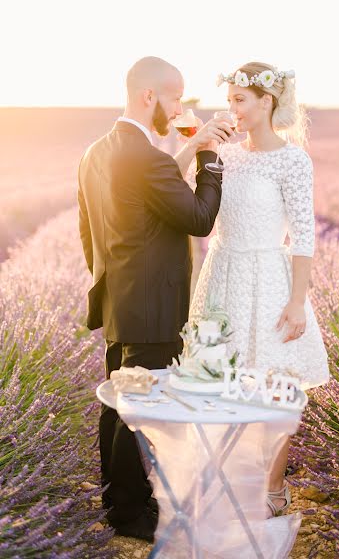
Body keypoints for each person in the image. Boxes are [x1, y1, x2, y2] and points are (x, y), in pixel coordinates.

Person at [78, 56, 232, 540]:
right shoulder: (143, 157)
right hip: (153, 306)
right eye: (176, 97)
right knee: (137, 412)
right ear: (150, 97)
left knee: (117, 408)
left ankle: (118, 503)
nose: (182, 107)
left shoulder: (98, 152)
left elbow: (90, 233)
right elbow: (199, 217)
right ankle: (130, 513)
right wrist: (211, 160)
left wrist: (193, 146)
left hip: (123, 300)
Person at [178, 61, 330, 518]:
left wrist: (297, 301)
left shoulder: (292, 159)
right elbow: (172, 189)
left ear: (268, 102)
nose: (233, 110)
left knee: (273, 389)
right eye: (229, 101)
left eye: (240, 100)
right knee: (218, 384)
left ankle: (273, 487)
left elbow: (303, 235)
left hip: (269, 281)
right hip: (222, 275)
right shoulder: (226, 154)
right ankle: (223, 481)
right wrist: (197, 143)